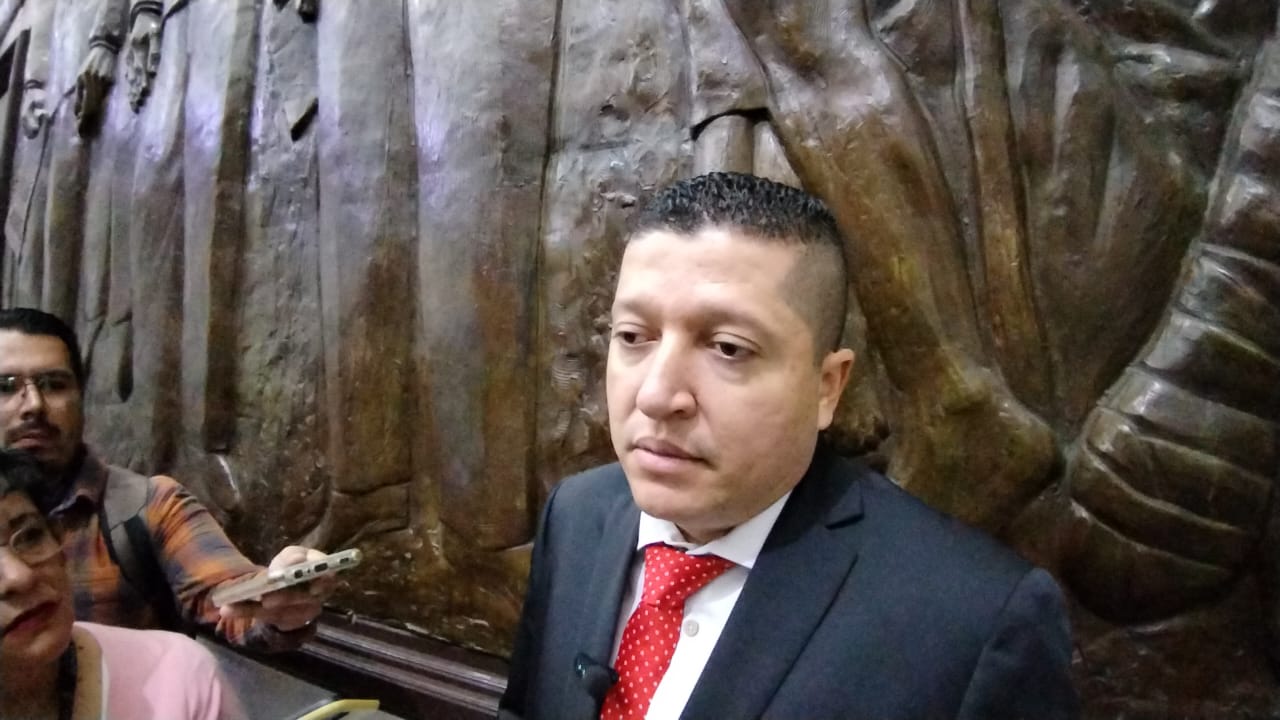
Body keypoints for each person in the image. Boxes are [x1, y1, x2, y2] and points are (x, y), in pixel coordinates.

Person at [499, 173, 1078, 719]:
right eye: (632, 336)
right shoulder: (577, 516)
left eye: (728, 348)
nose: (655, 395)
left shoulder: (974, 621)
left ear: (827, 387)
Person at [0, 307, 333, 651]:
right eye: (6, 387)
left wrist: (275, 601)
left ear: (81, 395)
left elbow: (228, 594)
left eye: (54, 385)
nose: (34, 405)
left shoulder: (148, 507)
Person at [0, 448, 244, 719]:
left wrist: (270, 593)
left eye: (31, 536)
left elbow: (231, 592)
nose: (20, 577)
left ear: (59, 539)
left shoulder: (178, 682)